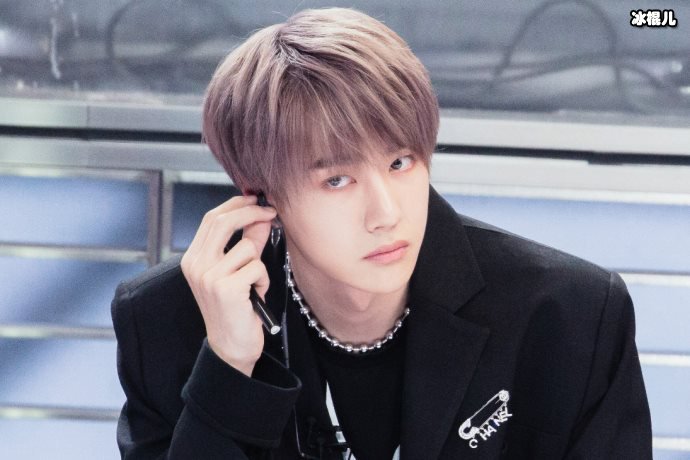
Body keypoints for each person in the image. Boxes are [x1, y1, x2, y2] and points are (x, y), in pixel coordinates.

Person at [111, 7, 652, 459]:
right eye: (337, 179)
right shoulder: (164, 321)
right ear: (261, 195)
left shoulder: (571, 317)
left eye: (400, 162)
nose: (386, 213)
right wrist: (229, 366)